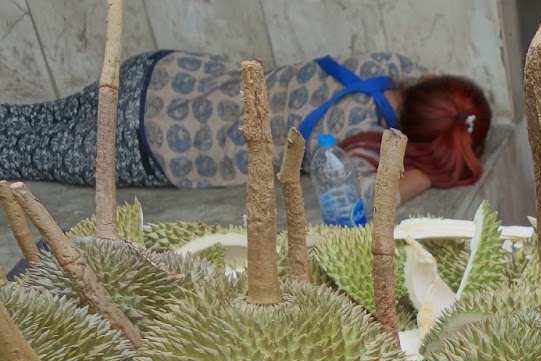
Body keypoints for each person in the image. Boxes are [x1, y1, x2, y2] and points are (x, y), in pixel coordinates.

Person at [0, 52, 491, 203]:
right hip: (154, 142)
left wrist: (444, 120)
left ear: (430, 83)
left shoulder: (385, 62)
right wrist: (429, 170)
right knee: (17, 153)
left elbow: (432, 93)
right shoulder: (358, 142)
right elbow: (364, 205)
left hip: (162, 75)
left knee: (27, 120)